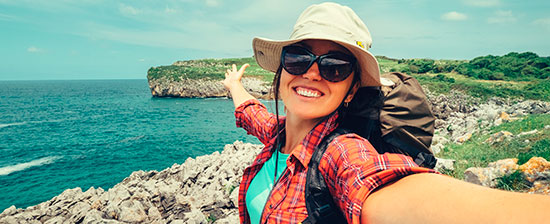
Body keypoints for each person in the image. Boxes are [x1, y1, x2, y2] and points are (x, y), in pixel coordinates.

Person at [222, 2, 550, 224]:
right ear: (282, 69)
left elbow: (399, 195)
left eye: (335, 67)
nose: (311, 73)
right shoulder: (278, 135)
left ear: (351, 89)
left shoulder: (341, 153)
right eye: (298, 58)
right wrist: (235, 85)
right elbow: (254, 115)